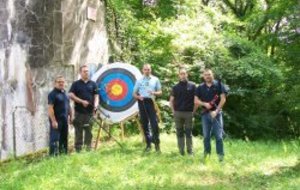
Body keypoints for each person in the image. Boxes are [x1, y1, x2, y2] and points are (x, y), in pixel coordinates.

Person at [194, 69, 228, 162]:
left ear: (212, 75)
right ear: (203, 76)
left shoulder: (219, 84)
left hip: (217, 114)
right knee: (206, 137)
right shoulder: (200, 87)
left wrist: (216, 111)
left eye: (209, 74)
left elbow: (223, 99)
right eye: (205, 75)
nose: (207, 76)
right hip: (205, 115)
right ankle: (206, 156)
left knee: (218, 137)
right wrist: (205, 104)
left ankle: (221, 158)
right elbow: (196, 100)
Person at [69, 65, 99, 152]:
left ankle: (88, 148)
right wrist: (81, 101)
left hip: (90, 112)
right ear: (80, 73)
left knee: (89, 131)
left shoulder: (93, 84)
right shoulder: (75, 84)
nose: (87, 72)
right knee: (78, 130)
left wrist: (96, 106)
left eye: (87, 71)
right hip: (79, 112)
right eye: (84, 71)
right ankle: (78, 149)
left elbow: (96, 96)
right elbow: (71, 95)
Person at [133, 64, 162, 152]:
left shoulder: (155, 79)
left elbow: (160, 92)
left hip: (151, 102)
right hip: (142, 102)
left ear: (151, 70)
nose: (147, 71)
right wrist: (138, 97)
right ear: (142, 70)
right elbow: (134, 94)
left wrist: (154, 92)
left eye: (148, 69)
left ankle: (157, 144)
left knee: (154, 124)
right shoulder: (139, 80)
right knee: (144, 124)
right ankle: (148, 144)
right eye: (145, 69)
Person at [170, 68, 196, 156]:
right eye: (181, 74)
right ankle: (181, 151)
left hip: (189, 113)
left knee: (189, 132)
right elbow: (171, 100)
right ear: (179, 75)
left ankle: (190, 151)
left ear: (187, 74)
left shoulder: (192, 85)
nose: (183, 75)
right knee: (179, 132)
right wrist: (173, 111)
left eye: (184, 73)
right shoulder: (175, 87)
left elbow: (196, 100)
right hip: (178, 113)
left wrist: (194, 111)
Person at [48, 76, 72, 156]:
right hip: (57, 121)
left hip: (65, 120)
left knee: (64, 138)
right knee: (54, 139)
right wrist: (53, 121)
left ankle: (63, 155)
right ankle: (53, 157)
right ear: (55, 83)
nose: (61, 83)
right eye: (59, 82)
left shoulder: (65, 93)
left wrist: (71, 116)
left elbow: (68, 106)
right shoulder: (52, 94)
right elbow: (50, 108)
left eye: (62, 82)